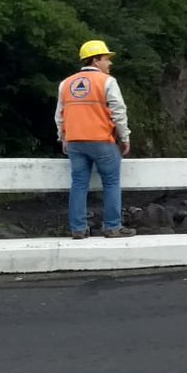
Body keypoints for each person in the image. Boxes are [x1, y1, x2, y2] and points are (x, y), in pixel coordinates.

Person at [55, 40, 136, 239]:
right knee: (111, 182)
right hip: (100, 139)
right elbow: (118, 111)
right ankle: (112, 227)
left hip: (74, 141)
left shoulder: (66, 83)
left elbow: (60, 114)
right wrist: (124, 137)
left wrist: (63, 137)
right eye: (106, 59)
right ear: (95, 60)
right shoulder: (107, 81)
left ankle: (78, 229)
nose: (110, 64)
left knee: (79, 184)